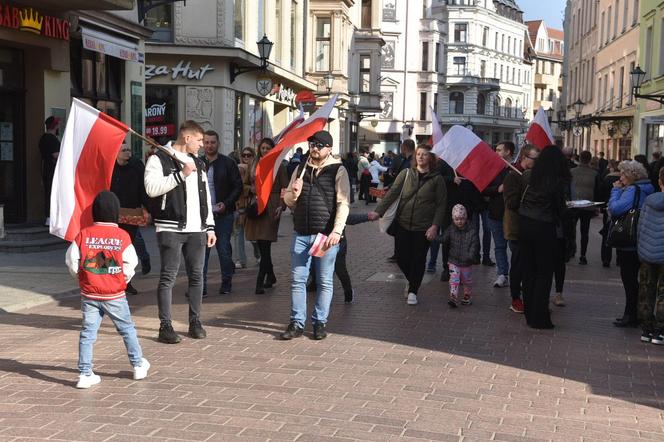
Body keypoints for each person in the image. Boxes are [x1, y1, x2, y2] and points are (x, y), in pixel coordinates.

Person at [65, 191, 149, 389]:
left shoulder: (83, 234)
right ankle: (137, 365)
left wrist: (82, 277)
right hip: (115, 293)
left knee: (87, 333)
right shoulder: (122, 235)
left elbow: (71, 261)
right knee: (127, 329)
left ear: (94, 212)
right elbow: (131, 262)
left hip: (90, 293)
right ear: (116, 213)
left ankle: (85, 373)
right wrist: (123, 280)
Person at [144, 120, 216, 344]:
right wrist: (180, 175)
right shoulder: (159, 158)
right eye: (199, 140)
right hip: (170, 227)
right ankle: (165, 325)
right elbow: (151, 189)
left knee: (197, 276)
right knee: (168, 277)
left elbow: (206, 197)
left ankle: (195, 321)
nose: (202, 145)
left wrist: (210, 225)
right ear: (187, 138)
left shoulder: (200, 163)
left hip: (197, 229)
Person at [280, 130, 350, 340]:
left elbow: (343, 203)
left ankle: (320, 323)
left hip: (325, 236)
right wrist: (294, 192)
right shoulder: (300, 168)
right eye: (312, 144)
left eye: (319, 145)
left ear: (329, 148)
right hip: (302, 232)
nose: (315, 149)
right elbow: (289, 202)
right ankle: (297, 323)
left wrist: (337, 231)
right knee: (298, 280)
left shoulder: (338, 170)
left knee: (324, 281)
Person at [370, 144, 446, 306]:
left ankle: (413, 290)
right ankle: (412, 280)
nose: (420, 157)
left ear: (430, 158)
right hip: (403, 223)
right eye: (418, 154)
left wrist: (435, 226)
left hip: (423, 227)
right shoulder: (406, 174)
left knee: (418, 259)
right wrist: (379, 211)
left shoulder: (437, 179)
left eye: (424, 154)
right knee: (402, 257)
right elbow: (392, 194)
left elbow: (441, 205)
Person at [518, 146, 569, 329]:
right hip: (544, 227)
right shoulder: (556, 181)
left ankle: (529, 313)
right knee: (544, 273)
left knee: (528, 271)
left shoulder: (528, 176)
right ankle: (540, 317)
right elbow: (560, 210)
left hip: (524, 224)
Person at [608, 160, 654, 328]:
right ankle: (638, 313)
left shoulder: (633, 190)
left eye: (622, 174)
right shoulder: (647, 188)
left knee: (628, 279)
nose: (620, 178)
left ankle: (630, 314)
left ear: (631, 175)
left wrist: (615, 191)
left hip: (628, 239)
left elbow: (615, 209)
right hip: (641, 237)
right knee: (638, 279)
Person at [245, 137, 289, 295]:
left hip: (271, 207)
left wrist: (282, 206)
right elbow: (244, 184)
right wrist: (250, 190)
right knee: (262, 245)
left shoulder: (279, 165)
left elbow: (285, 187)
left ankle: (259, 283)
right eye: (262, 148)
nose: (265, 150)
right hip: (256, 206)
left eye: (268, 148)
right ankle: (271, 276)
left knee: (265, 244)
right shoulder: (253, 164)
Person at [201, 130, 242, 296]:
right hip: (202, 216)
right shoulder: (197, 163)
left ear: (218, 144)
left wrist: (226, 203)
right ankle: (200, 286)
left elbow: (237, 186)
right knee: (202, 252)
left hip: (223, 215)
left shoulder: (228, 163)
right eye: (207, 142)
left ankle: (226, 283)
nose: (209, 145)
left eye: (213, 142)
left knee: (223, 249)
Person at [503, 144, 539, 314]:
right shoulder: (513, 175)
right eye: (534, 158)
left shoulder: (532, 176)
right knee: (518, 264)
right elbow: (511, 203)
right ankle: (515, 298)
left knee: (529, 264)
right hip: (516, 228)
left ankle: (530, 297)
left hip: (531, 227)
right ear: (524, 157)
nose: (536, 162)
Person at [111, 141, 148, 296]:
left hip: (132, 213)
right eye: (124, 150)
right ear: (116, 153)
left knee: (128, 249)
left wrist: (146, 208)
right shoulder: (111, 169)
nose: (128, 153)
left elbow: (143, 189)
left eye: (129, 150)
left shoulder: (136, 167)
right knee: (114, 250)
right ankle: (114, 282)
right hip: (113, 214)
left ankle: (127, 282)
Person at [636, 167, 664, 344]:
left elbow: (641, 225)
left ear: (660, 181)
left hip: (647, 252)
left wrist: (641, 247)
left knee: (646, 290)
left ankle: (646, 329)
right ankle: (661, 331)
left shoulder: (649, 200)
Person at [483, 141, 514, 288]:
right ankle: (502, 274)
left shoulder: (516, 169)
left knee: (515, 247)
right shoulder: (493, 169)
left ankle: (516, 274)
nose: (496, 152)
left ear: (508, 152)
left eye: (499, 150)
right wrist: (497, 189)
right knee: (500, 246)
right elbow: (484, 189)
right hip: (495, 213)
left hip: (513, 215)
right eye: (496, 149)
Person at [442, 204, 479, 308]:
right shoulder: (451, 229)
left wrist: (471, 256)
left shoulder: (471, 230)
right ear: (453, 219)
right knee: (454, 279)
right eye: (457, 219)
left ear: (465, 218)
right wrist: (435, 238)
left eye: (462, 219)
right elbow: (444, 238)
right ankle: (453, 297)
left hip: (466, 261)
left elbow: (474, 244)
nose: (459, 221)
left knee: (466, 280)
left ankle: (467, 296)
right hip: (453, 260)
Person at [386, 139, 415, 262]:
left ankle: (404, 253)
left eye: (402, 148)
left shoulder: (413, 161)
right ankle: (398, 253)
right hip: (400, 197)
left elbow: (406, 179)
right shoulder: (402, 159)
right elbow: (399, 176)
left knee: (403, 227)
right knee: (398, 226)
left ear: (404, 148)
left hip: (408, 198)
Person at [570, 150, 599, 265]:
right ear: (590, 159)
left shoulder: (572, 171)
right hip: (587, 205)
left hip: (574, 204)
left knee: (571, 229)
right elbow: (597, 190)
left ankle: (571, 250)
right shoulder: (595, 173)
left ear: (580, 158)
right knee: (584, 231)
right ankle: (583, 255)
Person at [234, 147, 256, 269]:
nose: (246, 158)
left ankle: (258, 255)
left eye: (249, 155)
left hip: (252, 204)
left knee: (253, 236)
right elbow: (237, 186)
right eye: (244, 155)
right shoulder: (238, 168)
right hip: (240, 204)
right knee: (239, 232)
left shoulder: (255, 169)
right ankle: (240, 259)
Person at [39, 116, 60, 225]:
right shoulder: (52, 139)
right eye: (57, 124)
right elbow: (56, 155)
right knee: (53, 192)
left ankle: (49, 216)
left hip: (46, 167)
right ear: (55, 126)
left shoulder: (43, 138)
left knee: (48, 192)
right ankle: (51, 217)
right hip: (53, 168)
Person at [599, 160, 621, 267]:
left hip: (608, 208)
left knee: (606, 232)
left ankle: (606, 258)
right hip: (620, 208)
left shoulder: (607, 178)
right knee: (620, 231)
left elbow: (601, 191)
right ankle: (619, 259)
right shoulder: (623, 179)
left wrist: (602, 206)